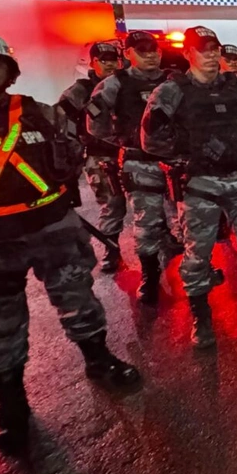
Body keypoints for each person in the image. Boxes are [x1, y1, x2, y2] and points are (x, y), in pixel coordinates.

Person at [0, 28, 140, 453]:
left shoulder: (40, 113)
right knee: (1, 320)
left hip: (52, 227)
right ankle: (10, 401)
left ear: (8, 70)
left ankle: (98, 360)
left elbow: (73, 156)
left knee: (78, 299)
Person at [142, 26, 237, 347]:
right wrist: (187, 157)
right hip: (199, 184)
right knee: (199, 251)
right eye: (203, 49)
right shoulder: (171, 91)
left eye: (214, 49)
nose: (210, 55)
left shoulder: (235, 85)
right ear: (187, 54)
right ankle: (201, 315)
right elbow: (150, 139)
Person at [87, 31, 180, 305]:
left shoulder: (174, 80)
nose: (150, 54)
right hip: (140, 162)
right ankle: (150, 276)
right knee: (147, 222)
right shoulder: (114, 84)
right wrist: (123, 143)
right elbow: (95, 124)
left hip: (175, 161)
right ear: (128, 54)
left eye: (154, 49)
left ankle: (194, 268)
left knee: (186, 220)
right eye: (142, 50)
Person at [58, 41, 125, 272]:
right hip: (101, 157)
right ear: (93, 62)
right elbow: (62, 122)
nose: (109, 64)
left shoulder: (124, 84)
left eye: (113, 59)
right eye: (103, 60)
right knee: (112, 203)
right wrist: (71, 157)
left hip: (131, 154)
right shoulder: (81, 90)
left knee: (150, 203)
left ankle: (162, 239)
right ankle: (111, 247)